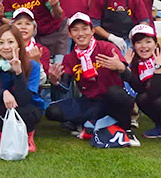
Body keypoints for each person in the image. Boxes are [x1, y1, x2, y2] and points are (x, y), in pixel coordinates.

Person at [45, 12, 139, 146]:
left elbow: (130, 79)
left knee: (115, 93)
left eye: (84, 29)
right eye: (75, 30)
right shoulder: (70, 58)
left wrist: (120, 67)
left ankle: (126, 131)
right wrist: (55, 81)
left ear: (92, 31)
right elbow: (64, 87)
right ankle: (95, 123)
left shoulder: (107, 47)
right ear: (70, 34)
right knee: (52, 111)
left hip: (111, 100)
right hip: (89, 102)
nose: (80, 33)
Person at [0, 24, 44, 153]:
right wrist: (3, 93)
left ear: (18, 44)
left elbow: (25, 98)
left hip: (28, 107)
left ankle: (28, 137)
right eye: (1, 43)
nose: (5, 47)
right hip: (4, 106)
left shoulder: (32, 65)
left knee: (25, 109)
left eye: (10, 42)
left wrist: (18, 73)